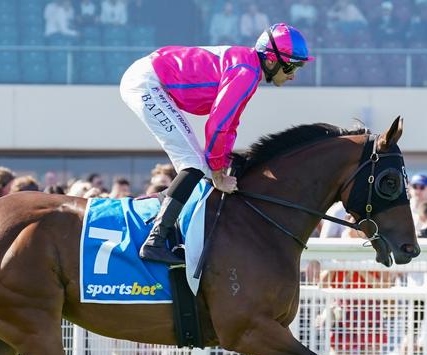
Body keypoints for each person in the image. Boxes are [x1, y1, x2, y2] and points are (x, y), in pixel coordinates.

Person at [120, 23, 314, 264]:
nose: (294, 74)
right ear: (273, 61)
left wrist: (220, 166)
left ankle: (167, 231)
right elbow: (218, 125)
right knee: (194, 164)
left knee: (197, 164)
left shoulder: (249, 69)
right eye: (292, 65)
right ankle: (155, 241)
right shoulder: (246, 72)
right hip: (146, 82)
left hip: (151, 78)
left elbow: (230, 125)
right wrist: (218, 174)